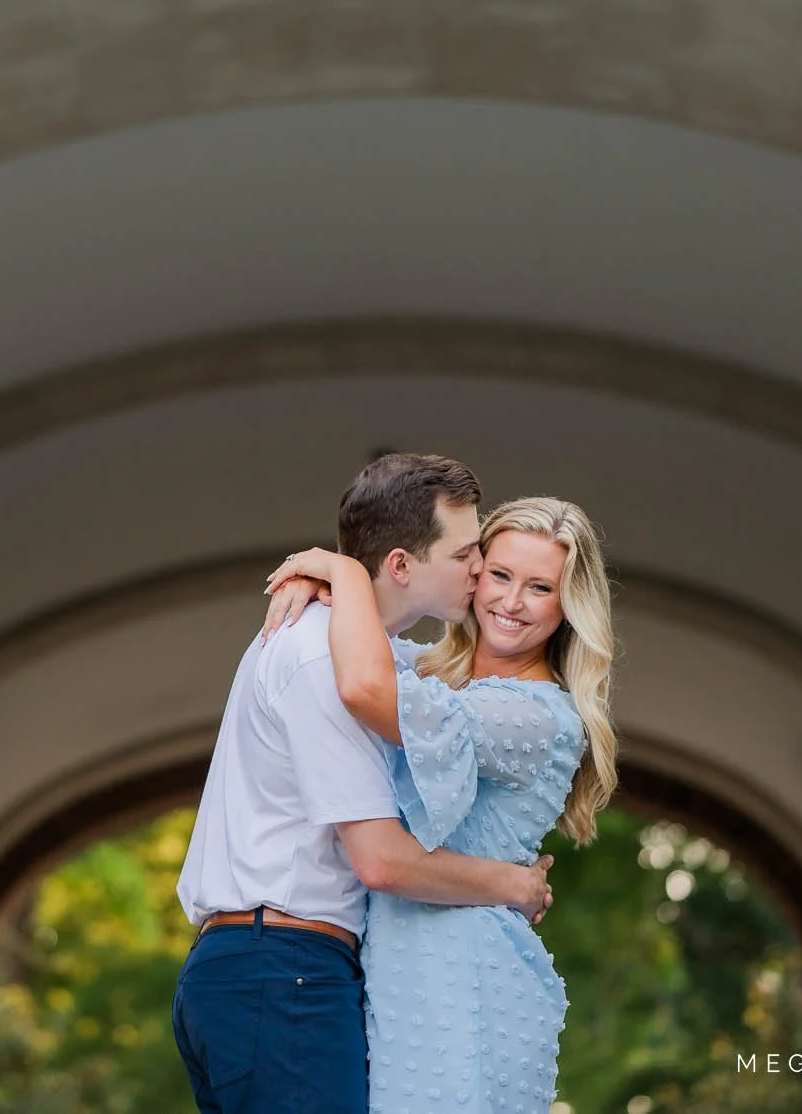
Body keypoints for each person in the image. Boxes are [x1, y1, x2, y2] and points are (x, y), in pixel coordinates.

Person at [173, 454, 556, 1114]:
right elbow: (378, 859)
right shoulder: (323, 654)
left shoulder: (349, 645)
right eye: (467, 552)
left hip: (260, 970)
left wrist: (336, 569)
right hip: (285, 971)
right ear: (403, 564)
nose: (480, 570)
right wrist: (513, 883)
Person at [260, 496, 619, 1114]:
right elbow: (363, 653)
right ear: (473, 574)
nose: (510, 602)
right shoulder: (431, 677)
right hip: (392, 975)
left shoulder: (535, 715)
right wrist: (312, 577)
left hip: (467, 979)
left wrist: (342, 569)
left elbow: (367, 689)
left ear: (568, 607)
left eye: (539, 587)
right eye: (500, 575)